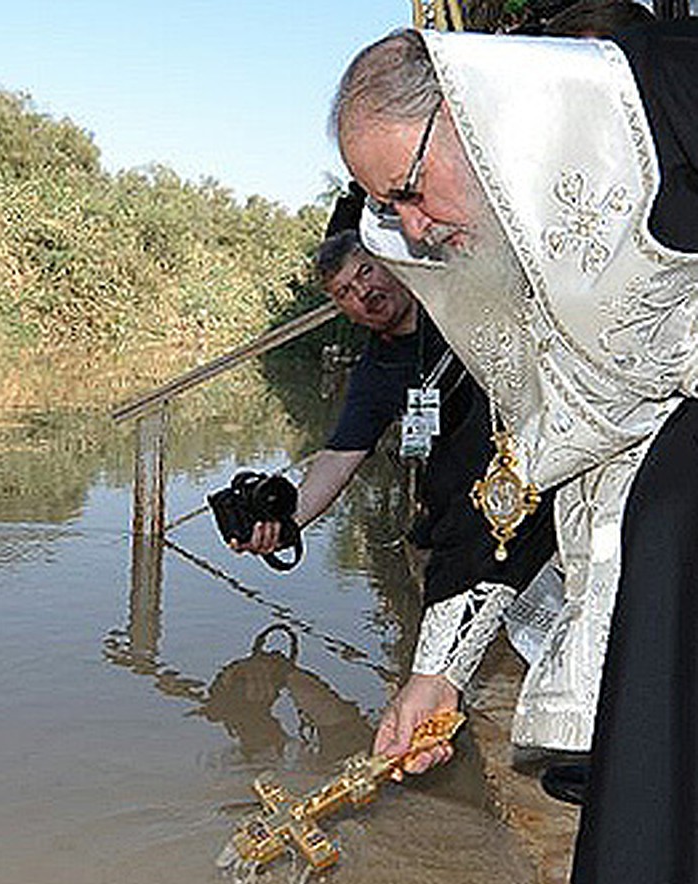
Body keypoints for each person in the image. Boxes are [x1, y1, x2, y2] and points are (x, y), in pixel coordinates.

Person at [332, 20, 698, 884]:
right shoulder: (506, 269)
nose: (409, 228)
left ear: (473, 117)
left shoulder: (662, 93)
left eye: (407, 190)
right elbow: (498, 471)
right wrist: (438, 676)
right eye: (384, 208)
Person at [236, 218, 557, 706]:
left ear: (388, 263)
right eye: (345, 291)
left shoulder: (460, 294)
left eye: (365, 273)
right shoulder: (376, 372)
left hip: (544, 474)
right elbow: (339, 458)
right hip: (466, 513)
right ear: (341, 308)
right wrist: (285, 523)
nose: (362, 292)